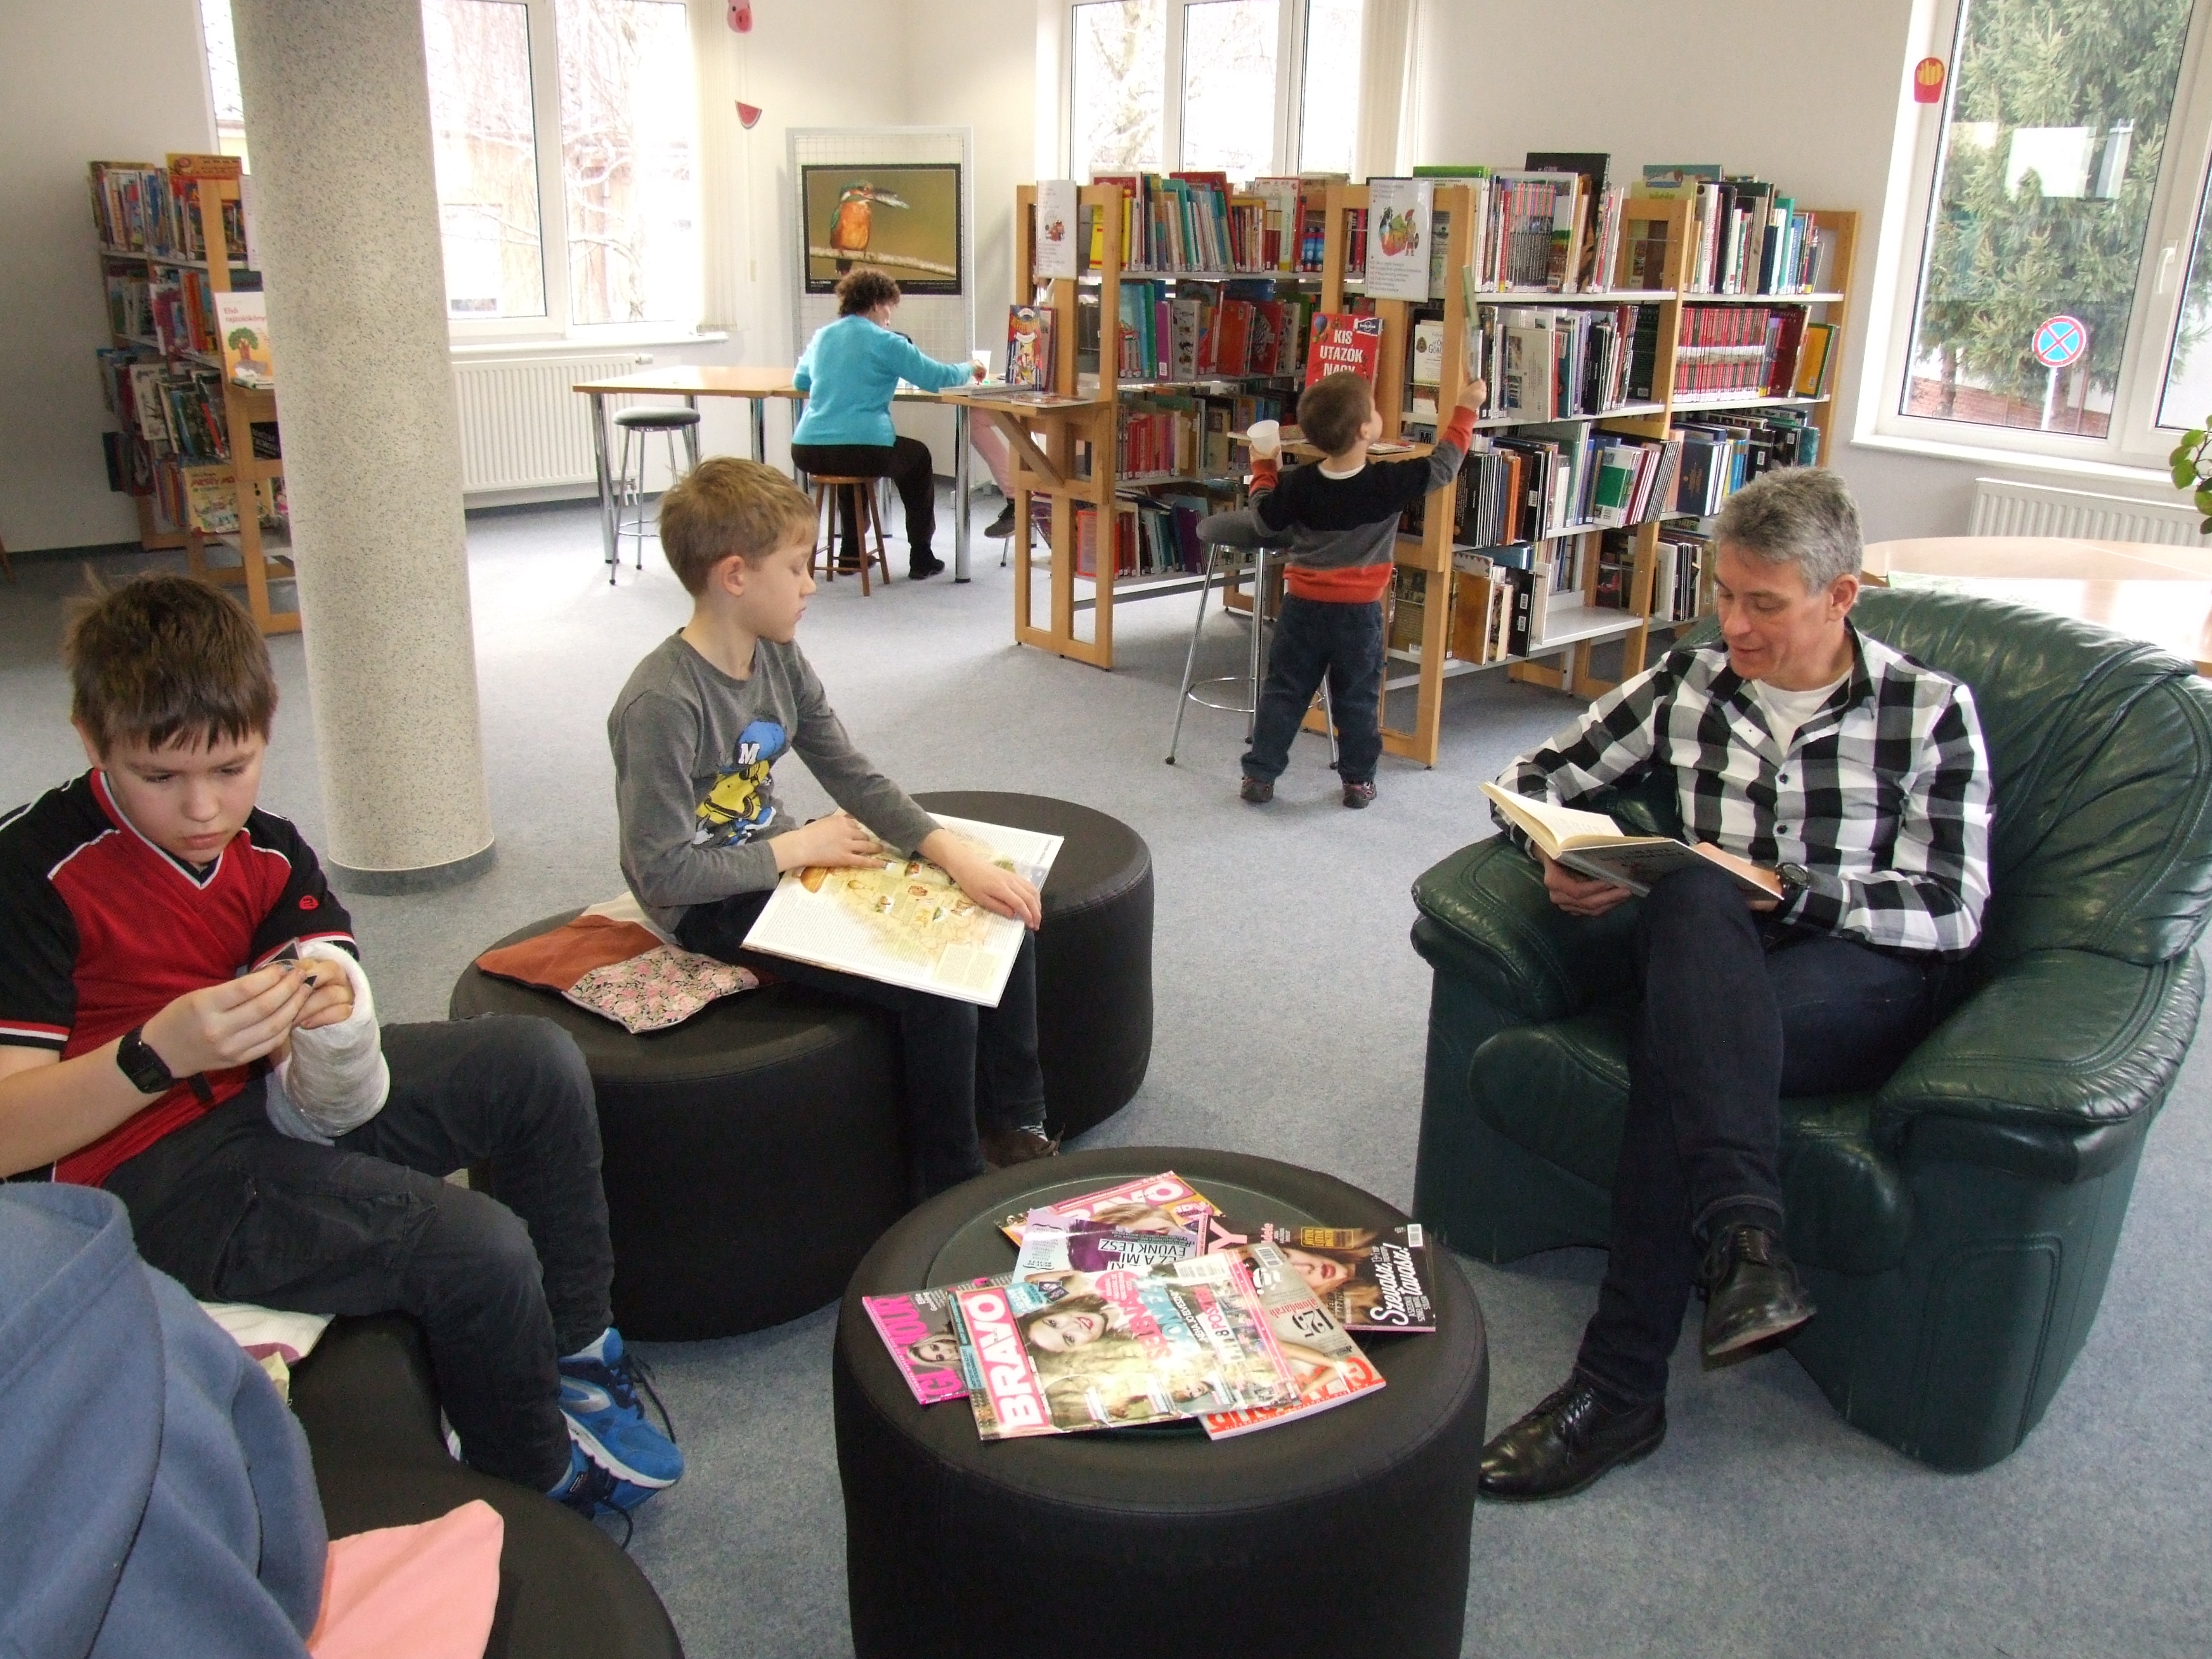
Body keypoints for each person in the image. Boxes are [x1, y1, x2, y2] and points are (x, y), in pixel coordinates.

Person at [0, 573, 681, 1521]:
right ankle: (537, 1487)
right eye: (159, 777)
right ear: (91, 740)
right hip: (146, 1181)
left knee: (534, 1064)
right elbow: (10, 1137)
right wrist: (156, 1053)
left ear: (265, 731)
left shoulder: (269, 850)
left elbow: (334, 1046)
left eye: (232, 767)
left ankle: (576, 1354)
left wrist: (333, 1008)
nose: (203, 809)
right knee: (478, 1250)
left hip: (266, 1104)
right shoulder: (32, 874)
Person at [1475, 467, 1993, 1502]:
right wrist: (1559, 854)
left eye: (1764, 603)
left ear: (1840, 596)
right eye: (1723, 593)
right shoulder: (1690, 680)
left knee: (1685, 1045)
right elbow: (1531, 777)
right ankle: (1745, 1241)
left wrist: (1792, 891)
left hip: (1856, 976)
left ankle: (1619, 1388)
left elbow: (1953, 908)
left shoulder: (1927, 711)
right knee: (1693, 897)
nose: (1735, 625)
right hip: (1704, 952)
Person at [609, 457, 1059, 1199]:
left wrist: (956, 857)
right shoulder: (660, 703)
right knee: (935, 981)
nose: (811, 585)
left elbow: (847, 769)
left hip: (791, 861)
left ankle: (1017, 1126)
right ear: (734, 576)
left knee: (993, 910)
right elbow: (660, 872)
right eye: (796, 568)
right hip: (710, 902)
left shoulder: (776, 654)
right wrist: (797, 847)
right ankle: (948, 1190)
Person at [1199, 368, 1485, 809]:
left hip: (1302, 610)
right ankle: (1358, 781)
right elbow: (1445, 466)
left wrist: (1264, 468)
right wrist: (1466, 409)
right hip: (1359, 614)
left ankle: (1260, 775)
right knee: (1358, 700)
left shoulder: (1299, 485)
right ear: (1365, 430)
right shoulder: (1388, 483)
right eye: (1374, 409)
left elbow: (1263, 520)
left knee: (1284, 693)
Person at [791, 268, 985, 580]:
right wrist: (972, 366)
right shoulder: (888, 342)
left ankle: (851, 551)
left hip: (808, 448)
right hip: (864, 448)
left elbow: (801, 381)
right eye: (889, 309)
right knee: (917, 458)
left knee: (846, 459)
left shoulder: (823, 335)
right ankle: (921, 555)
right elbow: (938, 378)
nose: (890, 319)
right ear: (877, 304)